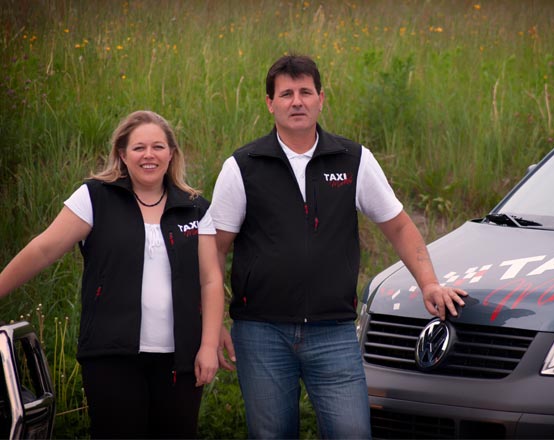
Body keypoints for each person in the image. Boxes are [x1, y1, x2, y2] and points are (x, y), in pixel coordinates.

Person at [211, 54, 468, 439]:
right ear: (270, 103)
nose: (296, 101)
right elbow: (214, 249)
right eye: (286, 94)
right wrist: (211, 323)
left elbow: (399, 226)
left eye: (305, 92)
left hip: (333, 333)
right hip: (261, 332)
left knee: (352, 432)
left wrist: (429, 283)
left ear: (321, 99)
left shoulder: (353, 160)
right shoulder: (243, 166)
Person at [0, 110, 224, 439]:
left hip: (180, 361)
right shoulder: (94, 197)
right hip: (111, 357)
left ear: (172, 153)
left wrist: (207, 346)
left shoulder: (195, 207)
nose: (149, 155)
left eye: (159, 147)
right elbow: (43, 250)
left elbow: (211, 280)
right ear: (122, 153)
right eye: (139, 147)